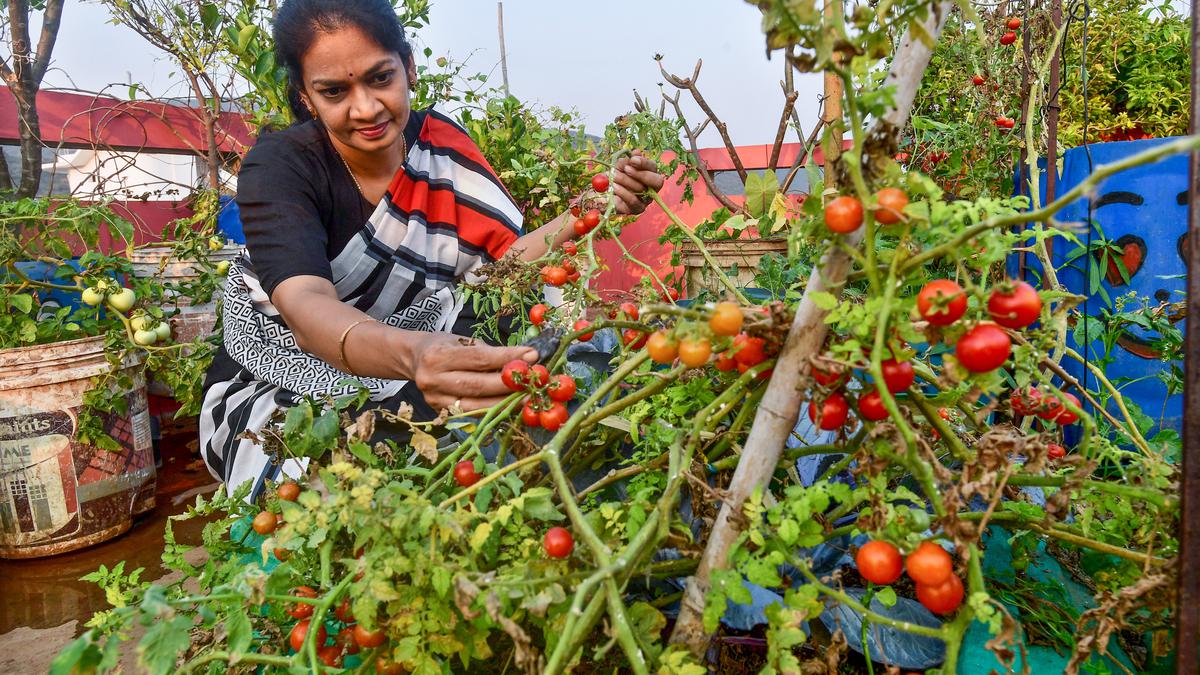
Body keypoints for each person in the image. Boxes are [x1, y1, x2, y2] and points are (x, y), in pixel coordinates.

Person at [199, 0, 665, 500]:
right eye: (334, 91)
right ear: (306, 97)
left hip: (425, 348)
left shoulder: (439, 146)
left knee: (532, 343)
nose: (366, 108)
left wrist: (587, 211)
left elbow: (497, 273)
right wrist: (414, 356)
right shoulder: (283, 166)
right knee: (340, 465)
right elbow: (306, 306)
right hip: (290, 377)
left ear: (409, 68)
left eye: (381, 78)